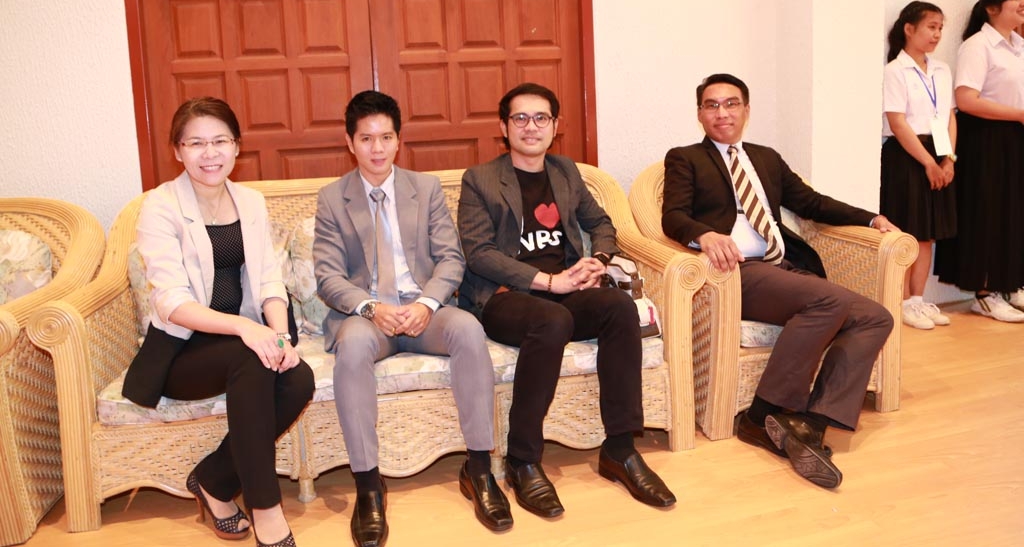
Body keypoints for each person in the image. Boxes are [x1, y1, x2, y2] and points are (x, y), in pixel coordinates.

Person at [661, 73, 897, 489]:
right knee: (829, 301)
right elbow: (673, 216)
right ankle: (761, 414)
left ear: (746, 110)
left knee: (876, 317)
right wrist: (705, 234)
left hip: (783, 266)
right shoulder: (686, 158)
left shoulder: (765, 158)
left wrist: (870, 218)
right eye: (712, 105)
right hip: (737, 272)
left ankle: (811, 424)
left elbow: (811, 203)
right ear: (700, 114)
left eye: (731, 104)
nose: (722, 113)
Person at [457, 82, 676, 517]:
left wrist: (598, 260)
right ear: (504, 127)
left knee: (619, 308)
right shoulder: (480, 179)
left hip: (566, 289)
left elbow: (602, 224)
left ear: (555, 125)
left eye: (541, 118)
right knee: (551, 321)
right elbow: (479, 254)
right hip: (506, 297)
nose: (531, 126)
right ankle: (522, 459)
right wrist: (547, 281)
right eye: (520, 118)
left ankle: (620, 449)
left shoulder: (566, 172)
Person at [312, 91, 510, 547]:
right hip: (368, 317)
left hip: (422, 311)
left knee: (468, 329)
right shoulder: (332, 198)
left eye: (386, 137)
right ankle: (368, 485)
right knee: (353, 346)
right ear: (350, 142)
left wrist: (427, 304)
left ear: (399, 140)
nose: (377, 148)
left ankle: (480, 469)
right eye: (366, 139)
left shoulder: (426, 188)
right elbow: (328, 276)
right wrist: (370, 308)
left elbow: (450, 258)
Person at [122, 97, 314, 547]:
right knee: (251, 358)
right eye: (196, 143)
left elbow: (269, 279)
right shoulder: (159, 206)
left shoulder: (250, 201)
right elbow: (171, 302)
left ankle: (212, 479)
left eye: (220, 141)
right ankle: (266, 508)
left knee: (298, 378)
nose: (209, 153)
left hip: (243, 341)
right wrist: (247, 329)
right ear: (177, 151)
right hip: (182, 351)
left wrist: (279, 336)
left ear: (236, 146)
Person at [935, 0, 1024, 322]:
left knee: (1012, 212)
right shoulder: (977, 45)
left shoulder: (1018, 45)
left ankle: (1009, 283)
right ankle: (984, 293)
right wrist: (1018, 114)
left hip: (1014, 136)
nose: (1022, 3)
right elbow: (966, 99)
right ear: (992, 8)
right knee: (987, 212)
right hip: (985, 138)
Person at [881, 1, 957, 330]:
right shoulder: (895, 70)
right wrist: (928, 162)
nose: (937, 34)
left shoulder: (941, 69)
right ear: (909, 29)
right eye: (931, 27)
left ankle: (917, 300)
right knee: (906, 230)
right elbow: (897, 122)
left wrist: (948, 158)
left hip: (939, 152)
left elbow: (950, 116)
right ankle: (898, 302)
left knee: (927, 234)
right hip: (907, 155)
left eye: (940, 28)